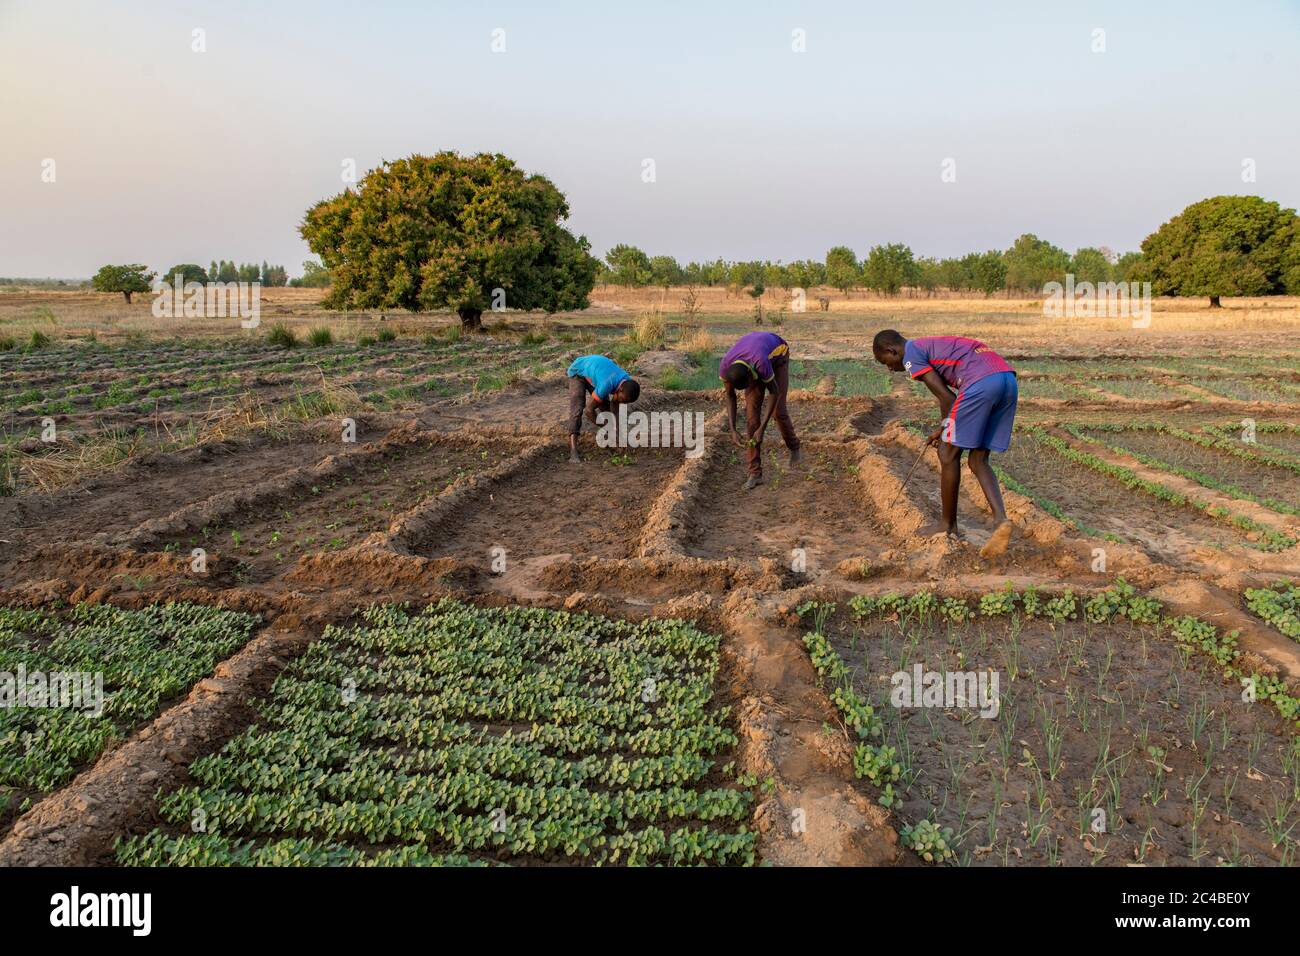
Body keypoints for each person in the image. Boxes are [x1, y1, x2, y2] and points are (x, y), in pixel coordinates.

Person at [872, 329, 1018, 557]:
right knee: (978, 460)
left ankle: (947, 526)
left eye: (887, 363)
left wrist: (944, 432)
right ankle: (1001, 520)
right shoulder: (926, 344)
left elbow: (947, 398)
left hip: (979, 383)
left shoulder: (911, 355)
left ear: (892, 350)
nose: (891, 370)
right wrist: (944, 428)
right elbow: (950, 400)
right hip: (1006, 380)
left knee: (947, 454)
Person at [719, 330, 801, 490]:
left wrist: (762, 429)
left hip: (778, 356)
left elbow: (774, 392)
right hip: (752, 356)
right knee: (752, 420)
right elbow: (730, 396)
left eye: (750, 384)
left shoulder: (761, 363)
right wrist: (733, 429)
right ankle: (755, 473)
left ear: (751, 375)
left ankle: (794, 447)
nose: (751, 387)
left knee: (779, 412)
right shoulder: (725, 368)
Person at [566, 354, 640, 462]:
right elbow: (589, 411)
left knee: (606, 409)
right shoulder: (606, 385)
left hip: (596, 373)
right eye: (622, 400)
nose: (621, 402)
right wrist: (606, 426)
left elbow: (615, 406)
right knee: (577, 409)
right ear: (620, 390)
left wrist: (619, 433)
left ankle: (610, 443)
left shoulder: (627, 383)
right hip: (578, 371)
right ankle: (573, 451)